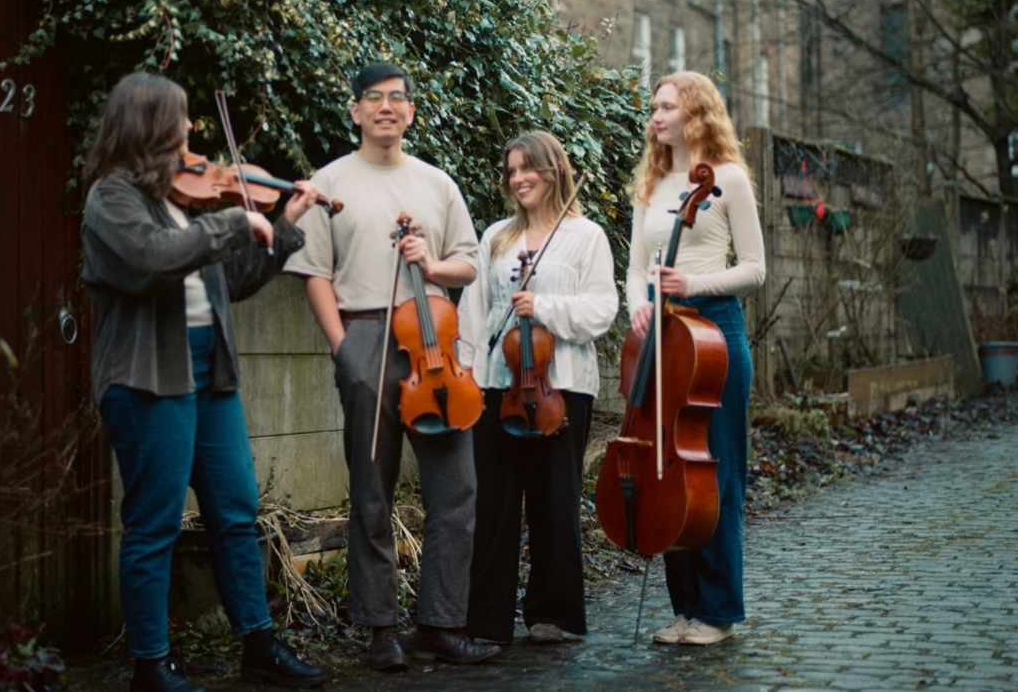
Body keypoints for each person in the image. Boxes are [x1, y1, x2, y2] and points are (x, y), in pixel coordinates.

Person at [80, 72, 327, 692]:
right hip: (146, 376)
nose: (192, 132)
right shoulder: (112, 199)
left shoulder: (183, 202)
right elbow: (151, 262)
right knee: (155, 520)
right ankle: (151, 662)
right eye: (181, 119)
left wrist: (285, 224)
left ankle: (259, 645)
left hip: (208, 371)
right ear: (148, 124)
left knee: (237, 511)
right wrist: (236, 223)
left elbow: (232, 282)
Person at [282, 62, 501, 671]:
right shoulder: (330, 180)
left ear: (410, 111)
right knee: (371, 492)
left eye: (396, 98)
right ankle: (380, 627)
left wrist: (430, 265)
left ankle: (441, 623)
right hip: (367, 336)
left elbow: (467, 265)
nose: (385, 107)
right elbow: (315, 275)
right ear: (355, 111)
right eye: (372, 98)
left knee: (456, 490)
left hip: (435, 347)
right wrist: (342, 348)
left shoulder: (437, 184)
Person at [456, 131, 618, 645]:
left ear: (554, 172)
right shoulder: (496, 237)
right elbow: (474, 312)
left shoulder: (586, 236)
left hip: (561, 386)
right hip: (498, 386)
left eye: (529, 168)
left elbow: (601, 311)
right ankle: (486, 619)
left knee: (555, 500)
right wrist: (469, 371)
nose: (519, 178)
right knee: (494, 504)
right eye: (512, 171)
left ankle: (552, 612)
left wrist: (543, 307)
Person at [624, 71, 766, 646]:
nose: (656, 117)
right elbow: (636, 268)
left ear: (697, 113)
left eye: (667, 107)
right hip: (662, 329)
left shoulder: (728, 179)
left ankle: (720, 611)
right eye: (654, 108)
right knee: (669, 469)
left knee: (718, 474)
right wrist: (636, 305)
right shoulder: (652, 184)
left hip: (715, 329)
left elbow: (755, 268)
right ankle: (685, 608)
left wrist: (696, 281)